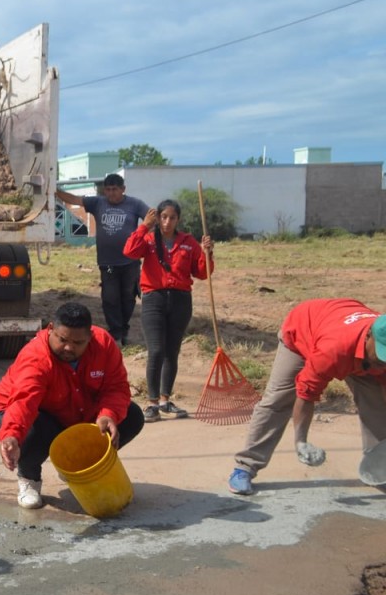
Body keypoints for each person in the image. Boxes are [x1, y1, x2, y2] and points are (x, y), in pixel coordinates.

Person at [0, 301, 145, 509]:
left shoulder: (104, 344)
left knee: (132, 416)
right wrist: (11, 435)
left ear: (90, 337)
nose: (68, 348)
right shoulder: (36, 357)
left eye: (78, 342)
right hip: (23, 409)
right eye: (62, 339)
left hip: (75, 408)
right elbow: (24, 402)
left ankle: (74, 466)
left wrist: (108, 414)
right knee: (34, 431)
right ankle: (29, 479)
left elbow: (116, 387)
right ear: (51, 329)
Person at [228, 299, 386, 495]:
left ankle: (379, 470)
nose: (382, 360)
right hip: (304, 331)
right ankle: (245, 467)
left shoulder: (377, 355)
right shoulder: (332, 350)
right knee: (278, 400)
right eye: (380, 353)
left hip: (342, 329)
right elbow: (306, 394)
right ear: (369, 336)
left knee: (376, 405)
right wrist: (301, 441)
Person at [123, 199, 214, 423]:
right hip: (154, 299)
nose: (167, 222)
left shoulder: (188, 242)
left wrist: (207, 253)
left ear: (178, 220)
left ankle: (165, 400)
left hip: (181, 300)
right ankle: (152, 403)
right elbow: (129, 251)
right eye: (163, 217)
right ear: (158, 217)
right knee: (155, 350)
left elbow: (202, 273)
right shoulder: (148, 238)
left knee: (172, 351)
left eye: (172, 218)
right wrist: (144, 225)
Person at [56, 174, 149, 346]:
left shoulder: (135, 204)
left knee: (128, 298)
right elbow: (74, 199)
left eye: (115, 189)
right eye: (108, 189)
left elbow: (151, 218)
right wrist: (53, 191)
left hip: (130, 262)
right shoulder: (98, 203)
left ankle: (123, 329)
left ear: (123, 189)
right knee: (110, 298)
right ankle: (116, 335)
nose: (111, 193)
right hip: (108, 263)